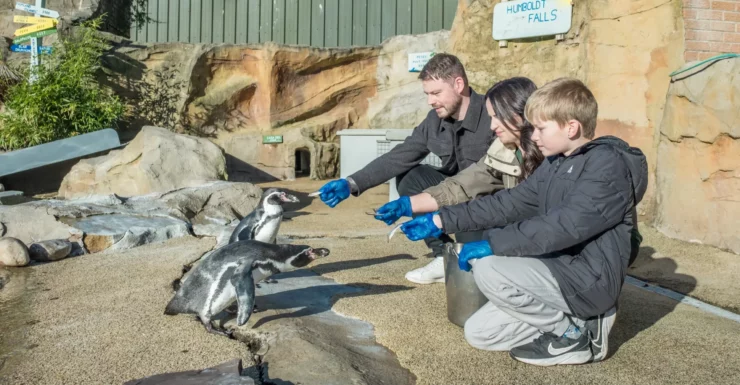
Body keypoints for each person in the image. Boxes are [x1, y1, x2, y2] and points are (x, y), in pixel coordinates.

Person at [397, 78, 648, 366]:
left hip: (589, 279)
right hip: (558, 270)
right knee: (479, 334)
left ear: (571, 127)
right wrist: (441, 220)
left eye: (541, 128)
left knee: (489, 267)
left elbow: (564, 226)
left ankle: (575, 335)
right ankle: (570, 321)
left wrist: (492, 244)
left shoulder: (606, 166)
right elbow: (509, 203)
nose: (535, 136)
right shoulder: (556, 164)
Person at [315, 53, 493, 261]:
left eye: (436, 93)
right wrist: (352, 183)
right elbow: (401, 156)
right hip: (452, 191)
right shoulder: (434, 121)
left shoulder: (492, 114)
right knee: (410, 176)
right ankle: (442, 254)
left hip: (486, 200)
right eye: (427, 94)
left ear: (458, 84)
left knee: (474, 257)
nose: (430, 101)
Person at [373, 77, 544, 284]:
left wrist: (496, 243)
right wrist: (409, 205)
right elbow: (465, 184)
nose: (492, 125)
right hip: (502, 217)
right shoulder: (503, 149)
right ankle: (443, 256)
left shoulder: (552, 158)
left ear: (519, 114)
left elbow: (531, 212)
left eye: (497, 116)